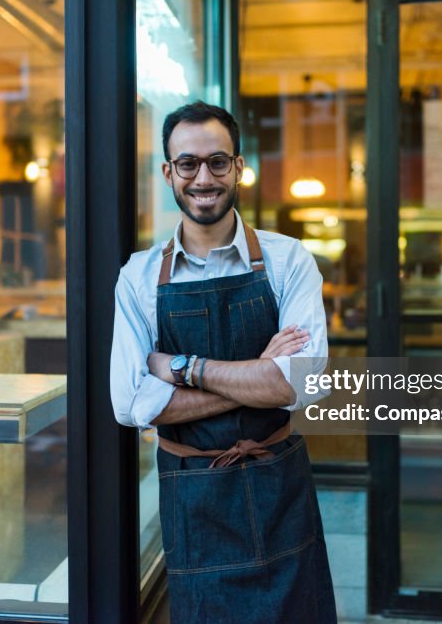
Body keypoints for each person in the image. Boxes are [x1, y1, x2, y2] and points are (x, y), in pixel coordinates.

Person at [110, 101, 336, 623]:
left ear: (238, 167)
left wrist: (184, 369)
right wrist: (258, 372)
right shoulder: (139, 277)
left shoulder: (287, 260)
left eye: (217, 161)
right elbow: (130, 403)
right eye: (187, 164)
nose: (203, 177)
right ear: (168, 173)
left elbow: (303, 381)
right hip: (195, 501)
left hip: (279, 488)